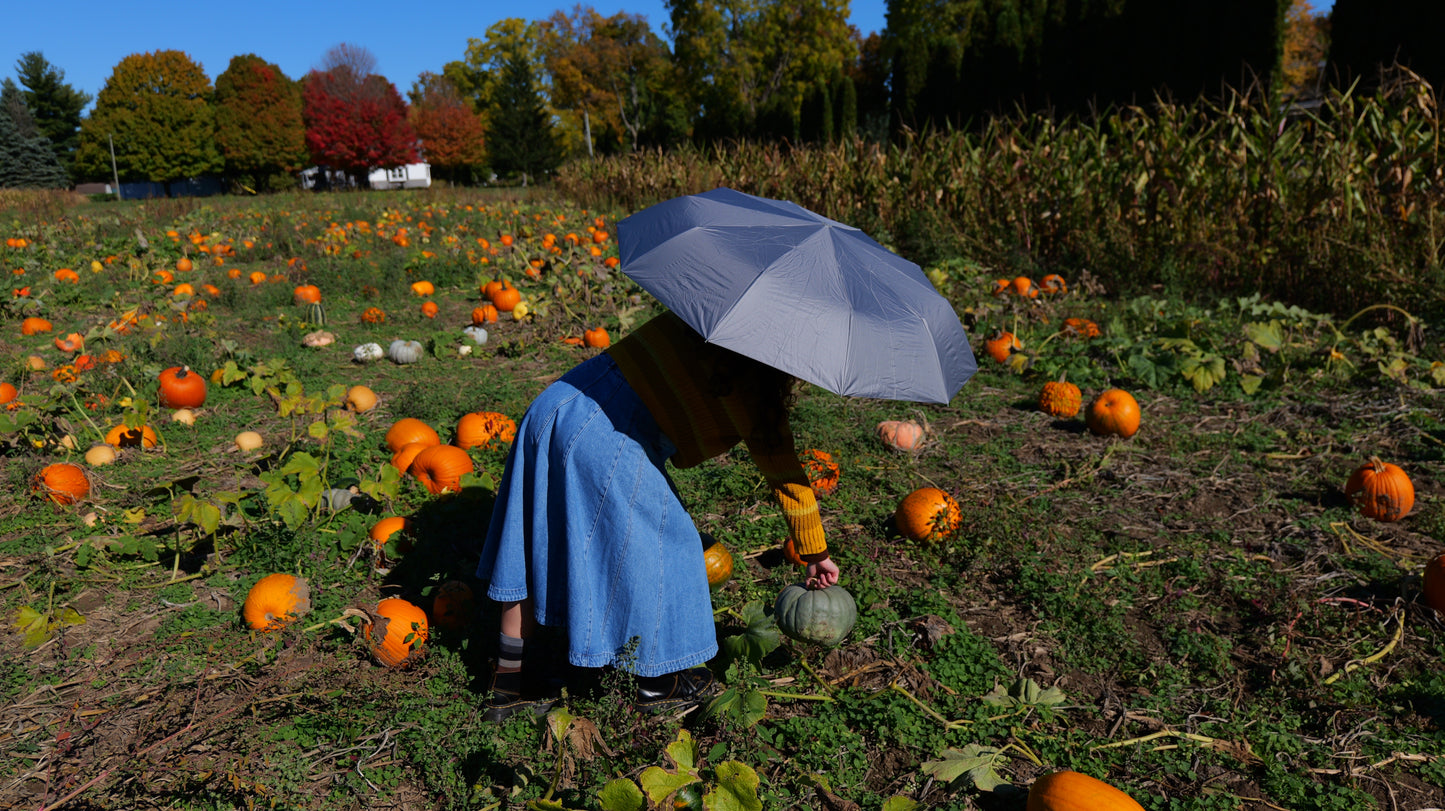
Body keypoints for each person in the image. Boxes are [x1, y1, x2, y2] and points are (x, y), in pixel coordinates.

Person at [475, 309, 842, 721]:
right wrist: (814, 550)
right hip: (609, 437)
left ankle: (505, 685)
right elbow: (787, 476)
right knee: (670, 548)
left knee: (530, 539)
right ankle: (655, 681)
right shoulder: (753, 388)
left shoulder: (699, 317)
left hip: (558, 402)